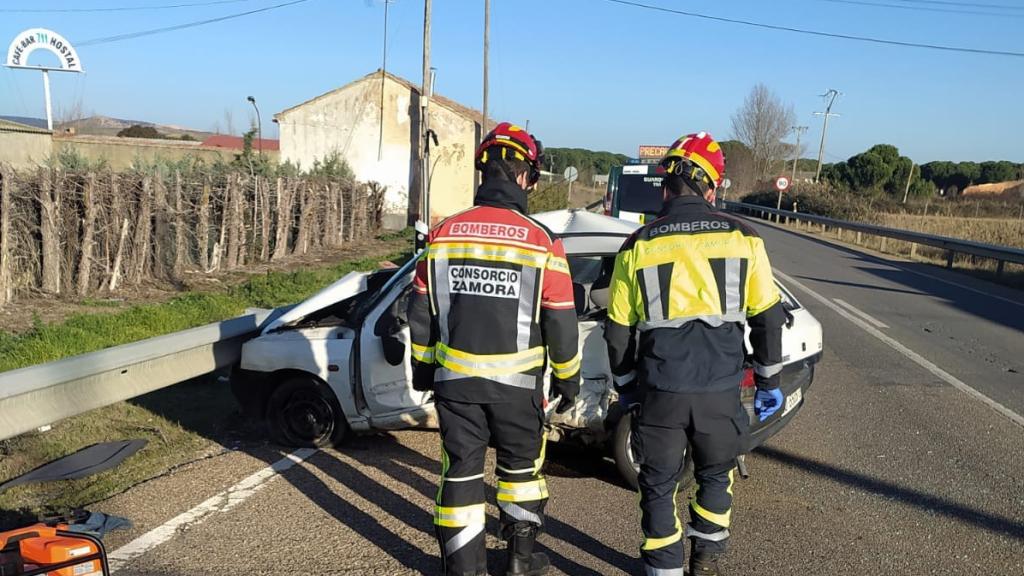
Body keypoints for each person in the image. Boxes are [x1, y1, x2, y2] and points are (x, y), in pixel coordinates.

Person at [603, 132, 787, 576]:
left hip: (661, 391)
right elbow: (768, 317)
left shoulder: (639, 244)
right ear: (711, 188)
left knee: (659, 486)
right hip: (721, 390)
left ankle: (663, 570)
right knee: (715, 475)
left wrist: (627, 387)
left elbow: (617, 331)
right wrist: (769, 381)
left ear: (666, 186)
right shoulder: (744, 237)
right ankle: (704, 561)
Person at [407, 122, 581, 576]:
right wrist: (568, 378)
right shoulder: (543, 241)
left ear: (483, 172)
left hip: (455, 385)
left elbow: (420, 312)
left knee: (461, 474)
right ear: (526, 177)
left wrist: (422, 370)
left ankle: (465, 569)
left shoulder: (443, 234)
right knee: (521, 473)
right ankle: (520, 562)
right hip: (518, 390)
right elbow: (561, 317)